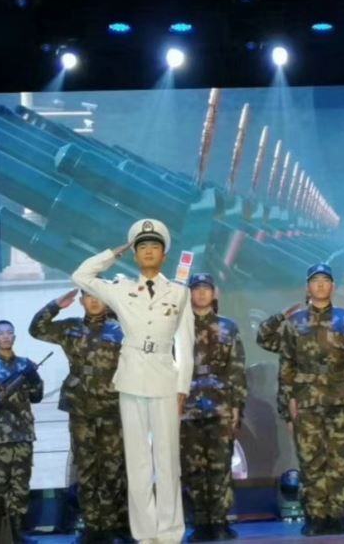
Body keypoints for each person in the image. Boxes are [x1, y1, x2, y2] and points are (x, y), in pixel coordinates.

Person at [72, 219, 195, 544]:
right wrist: (113, 254)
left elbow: (186, 344)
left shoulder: (179, 292)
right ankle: (145, 534)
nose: (148, 251)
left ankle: (170, 533)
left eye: (154, 246)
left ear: (164, 255)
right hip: (131, 377)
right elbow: (81, 276)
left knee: (167, 460)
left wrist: (183, 386)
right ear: (135, 255)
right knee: (137, 461)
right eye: (141, 247)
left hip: (165, 378)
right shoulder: (121, 288)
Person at [257, 263, 344, 536]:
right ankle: (315, 517)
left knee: (339, 460)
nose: (320, 285)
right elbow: (285, 363)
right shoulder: (295, 322)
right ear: (308, 287)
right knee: (311, 460)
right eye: (315, 281)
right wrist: (288, 403)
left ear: (333, 287)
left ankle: (337, 516)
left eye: (325, 280)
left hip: (339, 397)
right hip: (306, 399)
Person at [30, 289, 128, 544]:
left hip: (113, 408)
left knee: (112, 469)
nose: (94, 301)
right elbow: (36, 329)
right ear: (82, 301)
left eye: (99, 296)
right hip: (81, 409)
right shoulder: (70, 327)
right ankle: (92, 526)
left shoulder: (122, 329)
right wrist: (55, 305)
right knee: (86, 469)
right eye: (89, 296)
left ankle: (111, 525)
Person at [181, 274, 248, 542]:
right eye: (196, 288)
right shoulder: (178, 328)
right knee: (193, 468)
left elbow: (237, 368)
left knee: (220, 466)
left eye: (205, 289)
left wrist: (237, 406)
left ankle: (220, 521)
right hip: (186, 407)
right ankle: (200, 522)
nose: (201, 293)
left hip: (220, 405)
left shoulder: (228, 327)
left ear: (214, 293)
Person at [0, 320, 45, 539]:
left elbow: (36, 396)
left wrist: (34, 377)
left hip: (22, 435)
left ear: (14, 337)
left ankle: (16, 532)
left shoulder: (26, 364)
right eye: (1, 334)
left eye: (9, 333)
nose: (6, 337)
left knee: (20, 487)